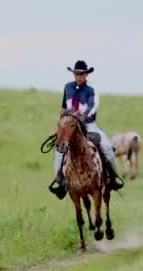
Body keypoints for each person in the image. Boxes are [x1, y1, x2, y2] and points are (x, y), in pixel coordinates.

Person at [48, 60, 124, 199]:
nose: (78, 77)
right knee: (59, 148)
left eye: (81, 74)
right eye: (76, 74)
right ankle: (60, 180)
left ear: (86, 74)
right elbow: (64, 107)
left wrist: (80, 118)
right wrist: (61, 124)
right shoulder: (67, 88)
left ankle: (112, 178)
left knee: (107, 147)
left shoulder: (92, 89)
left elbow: (92, 107)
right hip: (69, 126)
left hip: (88, 124)